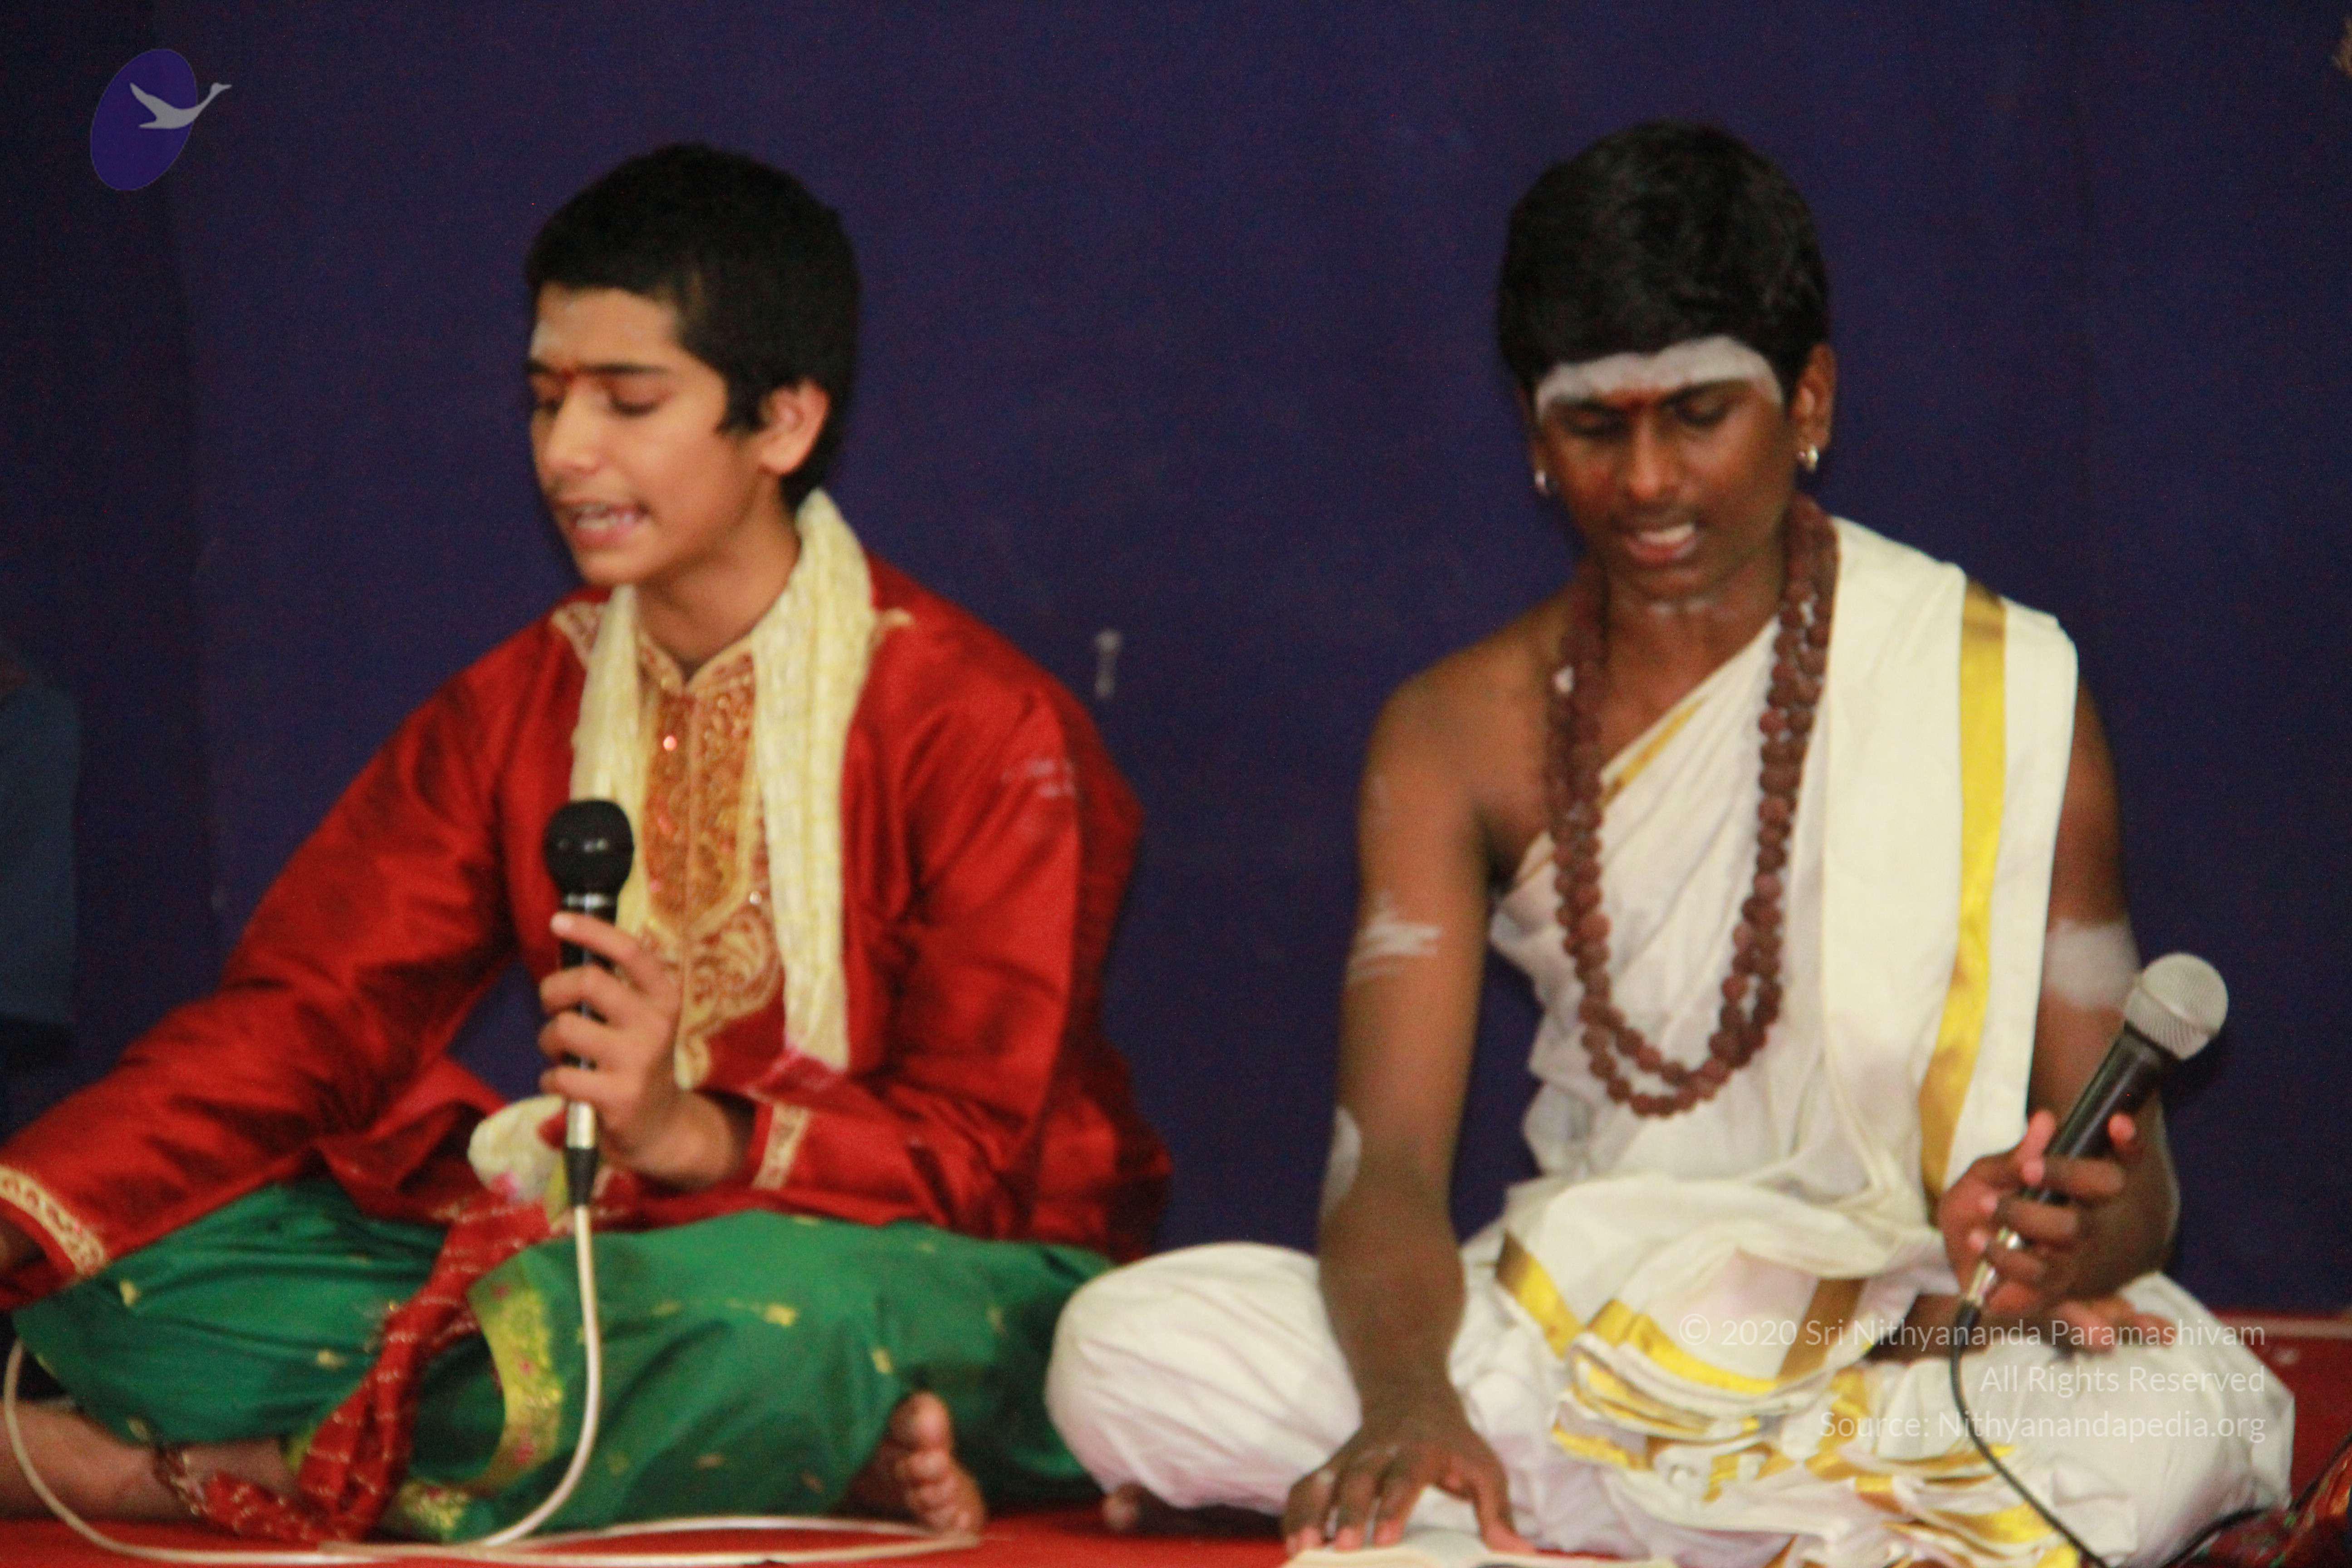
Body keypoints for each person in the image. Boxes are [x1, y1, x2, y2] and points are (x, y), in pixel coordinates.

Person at [1047, 122, 2285, 1568]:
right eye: (1596, 426)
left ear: (1808, 399)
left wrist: (2067, 1248)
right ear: (1534, 435)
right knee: (1124, 1347)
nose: (1645, 481)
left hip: (1898, 1322)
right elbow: (1385, 1171)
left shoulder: (1997, 683)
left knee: (2161, 1414)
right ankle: (1715, 1519)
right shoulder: (1454, 730)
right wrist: (1408, 1403)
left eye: (1698, 415)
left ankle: (1555, 1524)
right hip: (1576, 1315)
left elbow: (2137, 1186)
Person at [0, 144, 1167, 1544]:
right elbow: (309, 1014)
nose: (565, 453)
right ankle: (763, 1454)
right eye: (547, 399)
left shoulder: (981, 727)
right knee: (129, 1277)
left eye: (629, 400)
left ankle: (161, 1473)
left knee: (775, 1318)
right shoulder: (518, 707)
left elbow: (975, 1158)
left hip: (944, 1277)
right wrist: (30, 1204)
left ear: (783, 422)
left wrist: (690, 1133)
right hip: (587, 1257)